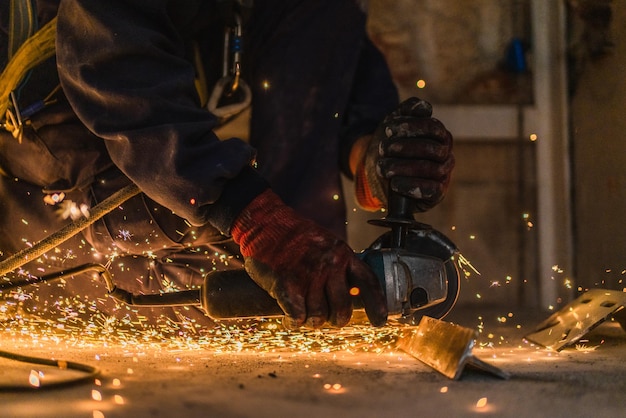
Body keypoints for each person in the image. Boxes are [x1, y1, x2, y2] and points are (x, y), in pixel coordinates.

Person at [0, 0, 454, 330]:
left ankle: (309, 281)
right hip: (58, 153)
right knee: (205, 305)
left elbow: (318, 41)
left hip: (147, 127)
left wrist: (369, 148)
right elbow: (117, 62)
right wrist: (251, 216)